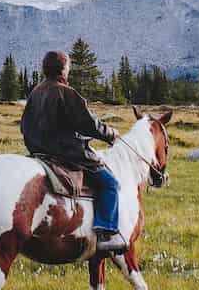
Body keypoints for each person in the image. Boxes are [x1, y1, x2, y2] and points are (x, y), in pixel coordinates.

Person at [19, 49, 128, 255]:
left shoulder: (35, 93)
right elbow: (89, 124)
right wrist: (110, 134)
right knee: (109, 184)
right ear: (63, 69)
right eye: (68, 66)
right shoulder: (65, 92)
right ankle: (106, 234)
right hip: (67, 154)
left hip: (39, 153)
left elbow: (24, 127)